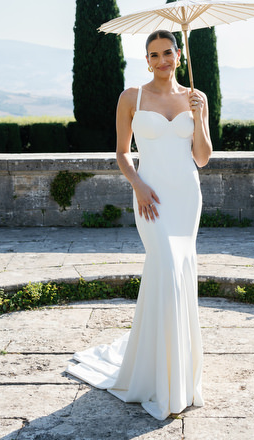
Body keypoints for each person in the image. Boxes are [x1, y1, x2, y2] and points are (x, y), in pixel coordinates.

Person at [67, 30, 213, 420]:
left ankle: (178, 375)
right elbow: (121, 152)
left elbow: (202, 158)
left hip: (186, 198)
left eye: (168, 52)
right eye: (154, 55)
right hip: (151, 197)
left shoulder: (196, 98)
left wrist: (198, 116)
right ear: (146, 60)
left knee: (179, 274)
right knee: (165, 266)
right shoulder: (131, 97)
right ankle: (158, 378)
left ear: (179, 55)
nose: (162, 60)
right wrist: (139, 185)